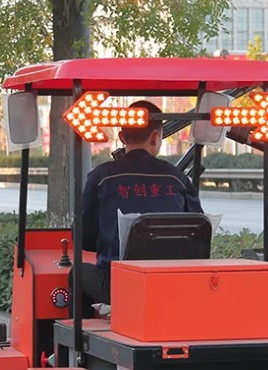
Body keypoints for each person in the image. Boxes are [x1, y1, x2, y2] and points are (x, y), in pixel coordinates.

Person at [79, 100, 203, 311]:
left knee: (77, 274)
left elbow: (85, 238)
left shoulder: (101, 177)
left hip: (117, 284)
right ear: (156, 137)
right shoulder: (178, 179)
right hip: (173, 283)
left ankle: (80, 340)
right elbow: (199, 233)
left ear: (122, 137)